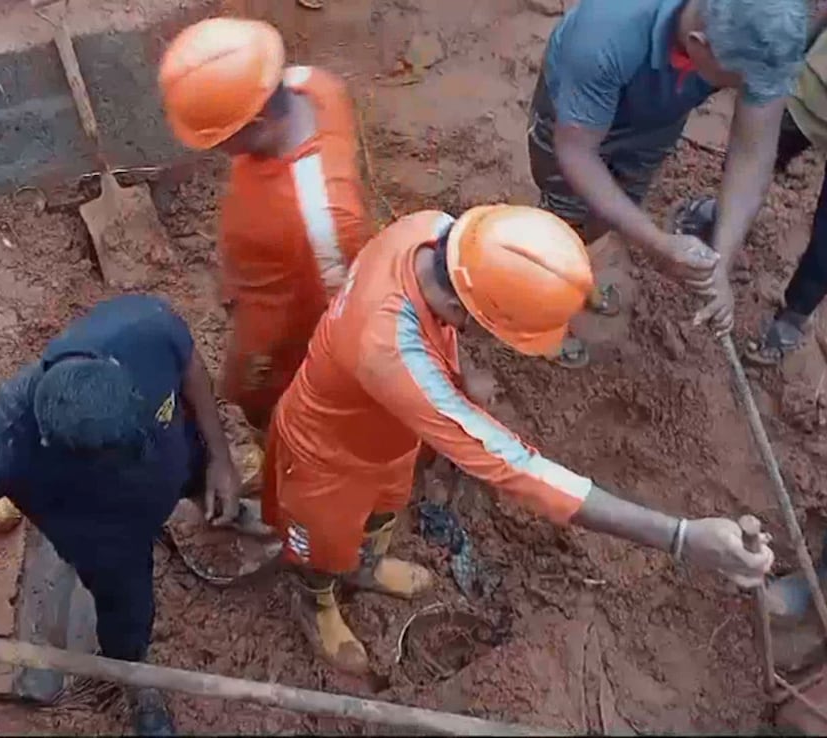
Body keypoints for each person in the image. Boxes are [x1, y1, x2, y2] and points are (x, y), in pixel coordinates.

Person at [261, 204, 775, 674]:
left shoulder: (434, 231)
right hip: (324, 455)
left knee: (384, 510)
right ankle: (319, 600)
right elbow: (514, 467)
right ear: (464, 314)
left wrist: (460, 375)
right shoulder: (390, 353)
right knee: (321, 546)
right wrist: (680, 536)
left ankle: (365, 567)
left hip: (387, 437)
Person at [0, 295, 244, 736]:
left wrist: (220, 459)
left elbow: (188, 362)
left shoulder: (141, 329)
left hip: (179, 457)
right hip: (103, 534)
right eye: (116, 461)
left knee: (199, 476)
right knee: (126, 608)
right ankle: (134, 674)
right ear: (53, 446)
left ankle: (210, 503)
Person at [528, 0, 807, 364]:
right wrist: (657, 243)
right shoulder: (604, 35)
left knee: (614, 207)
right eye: (735, 83)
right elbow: (577, 153)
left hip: (654, 124)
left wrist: (718, 263)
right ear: (698, 44)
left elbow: (753, 154)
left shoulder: (761, 29)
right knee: (564, 220)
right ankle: (541, 313)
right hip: (576, 114)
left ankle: (575, 276)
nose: (744, 92)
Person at [158, 17, 372, 433]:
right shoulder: (311, 85)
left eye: (218, 140)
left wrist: (239, 387)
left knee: (271, 400)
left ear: (254, 125)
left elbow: (331, 310)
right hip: (275, 265)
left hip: (296, 322)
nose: (217, 150)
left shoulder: (311, 218)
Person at [679, 6, 827, 366]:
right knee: (760, 149)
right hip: (815, 90)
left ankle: (793, 316)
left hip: (812, 87)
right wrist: (788, 54)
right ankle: (722, 218)